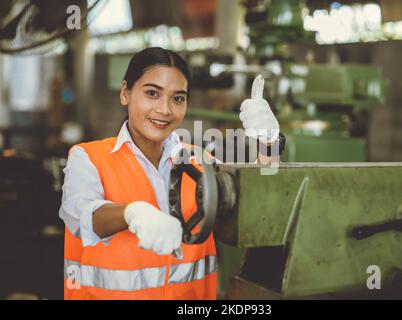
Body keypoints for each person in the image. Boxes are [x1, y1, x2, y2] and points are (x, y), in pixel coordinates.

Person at [59, 47, 280, 300]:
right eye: (152, 93)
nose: (165, 109)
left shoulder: (199, 163)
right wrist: (131, 213)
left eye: (178, 99)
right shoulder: (88, 157)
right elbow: (82, 215)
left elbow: (255, 204)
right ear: (125, 93)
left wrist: (269, 143)